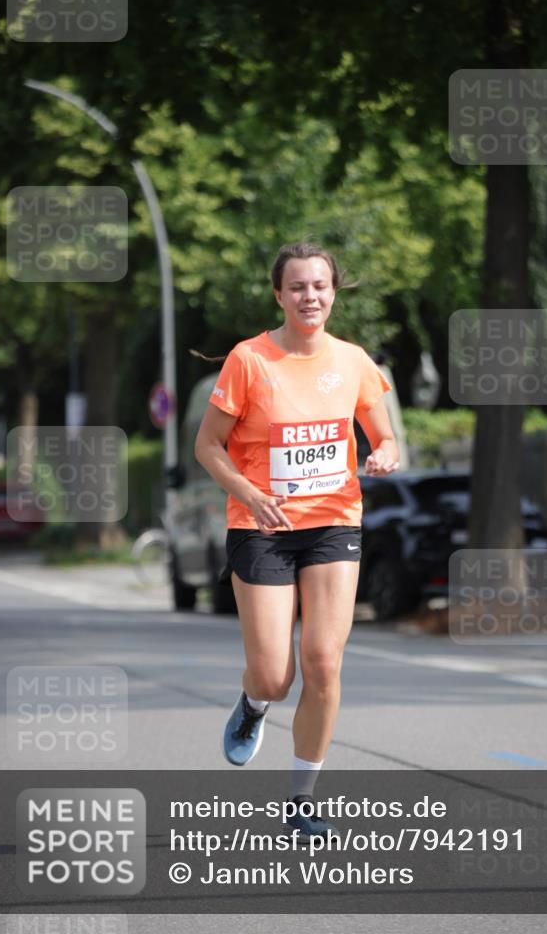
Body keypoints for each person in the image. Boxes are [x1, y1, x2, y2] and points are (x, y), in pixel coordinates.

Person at [194, 241, 399, 840]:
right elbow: (207, 446)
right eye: (298, 288)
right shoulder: (250, 361)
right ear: (279, 295)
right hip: (261, 526)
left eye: (320, 286)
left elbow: (383, 436)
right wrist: (249, 494)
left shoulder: (355, 360)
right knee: (274, 675)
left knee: (323, 662)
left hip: (335, 521)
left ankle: (303, 802)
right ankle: (255, 704)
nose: (310, 297)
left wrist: (384, 454)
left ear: (334, 292)